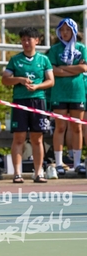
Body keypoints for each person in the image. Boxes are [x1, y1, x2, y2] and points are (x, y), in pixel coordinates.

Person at [1, 27, 54, 183]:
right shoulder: (15, 60)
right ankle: (17, 173)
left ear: (36, 41)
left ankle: (38, 172)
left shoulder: (43, 59)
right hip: (20, 101)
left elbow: (51, 81)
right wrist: (20, 79)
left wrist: (37, 86)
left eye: (28, 39)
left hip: (38, 101)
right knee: (19, 138)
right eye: (23, 40)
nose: (25, 43)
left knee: (37, 139)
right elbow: (5, 79)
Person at [48, 18, 87, 175]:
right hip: (59, 92)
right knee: (60, 127)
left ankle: (77, 162)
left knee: (77, 127)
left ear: (74, 31)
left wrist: (63, 69)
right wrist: (73, 69)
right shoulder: (55, 49)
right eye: (62, 30)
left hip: (77, 92)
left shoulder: (81, 48)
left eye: (68, 30)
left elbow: (84, 67)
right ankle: (59, 163)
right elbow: (53, 70)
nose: (64, 33)